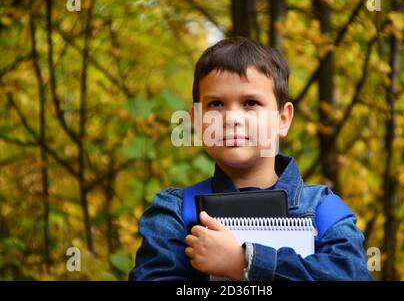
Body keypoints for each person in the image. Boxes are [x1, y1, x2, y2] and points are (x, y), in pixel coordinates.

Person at [130, 37, 372, 281]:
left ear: (283, 119)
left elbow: (353, 274)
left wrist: (243, 263)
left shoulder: (323, 209)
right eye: (216, 104)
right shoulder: (174, 212)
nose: (232, 118)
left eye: (250, 103)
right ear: (197, 120)